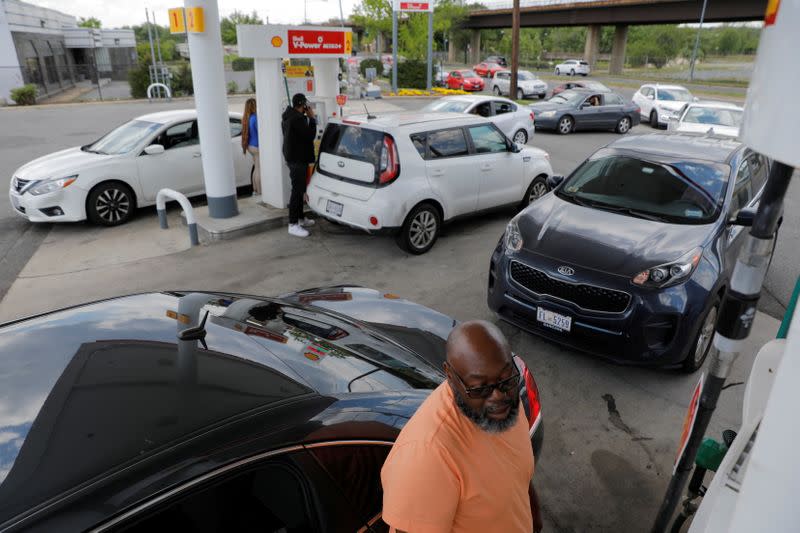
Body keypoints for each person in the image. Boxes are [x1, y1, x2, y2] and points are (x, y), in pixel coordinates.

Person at [381, 320, 543, 533]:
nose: (499, 397)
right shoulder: (427, 454)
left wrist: (535, 523)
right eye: (480, 388)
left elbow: (517, 475)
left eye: (506, 379)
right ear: (450, 375)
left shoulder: (506, 396)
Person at [281, 93, 317, 238]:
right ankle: (293, 224)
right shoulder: (298, 119)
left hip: (294, 158)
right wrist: (312, 118)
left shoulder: (288, 116)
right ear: (302, 105)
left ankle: (301, 219)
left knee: (301, 189)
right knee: (297, 192)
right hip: (297, 160)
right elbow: (310, 135)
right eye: (305, 105)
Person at [241, 98, 261, 195]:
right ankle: (259, 191)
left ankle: (255, 189)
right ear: (253, 106)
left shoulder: (246, 118)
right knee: (258, 169)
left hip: (249, 146)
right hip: (256, 147)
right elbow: (260, 133)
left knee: (255, 167)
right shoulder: (255, 118)